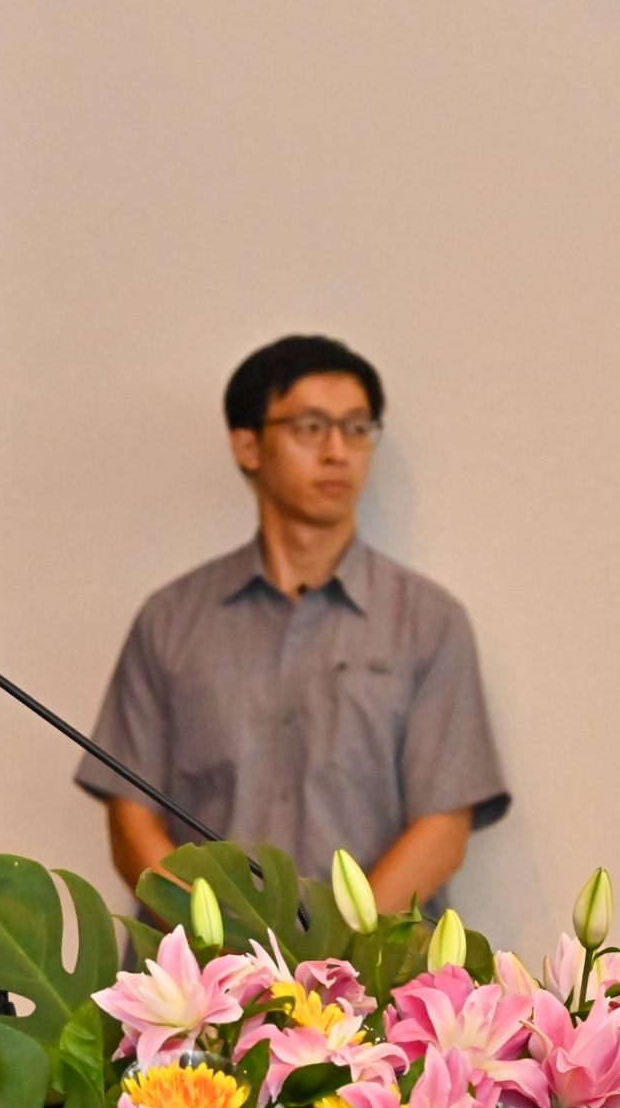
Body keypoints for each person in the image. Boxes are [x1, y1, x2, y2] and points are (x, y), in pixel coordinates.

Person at [76, 334, 509, 916]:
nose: (338, 451)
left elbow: (443, 826)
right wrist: (221, 946)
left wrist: (334, 951)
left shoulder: (429, 621)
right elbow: (132, 818)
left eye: (357, 428)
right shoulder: (171, 619)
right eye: (311, 427)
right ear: (248, 445)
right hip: (204, 967)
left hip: (371, 965)